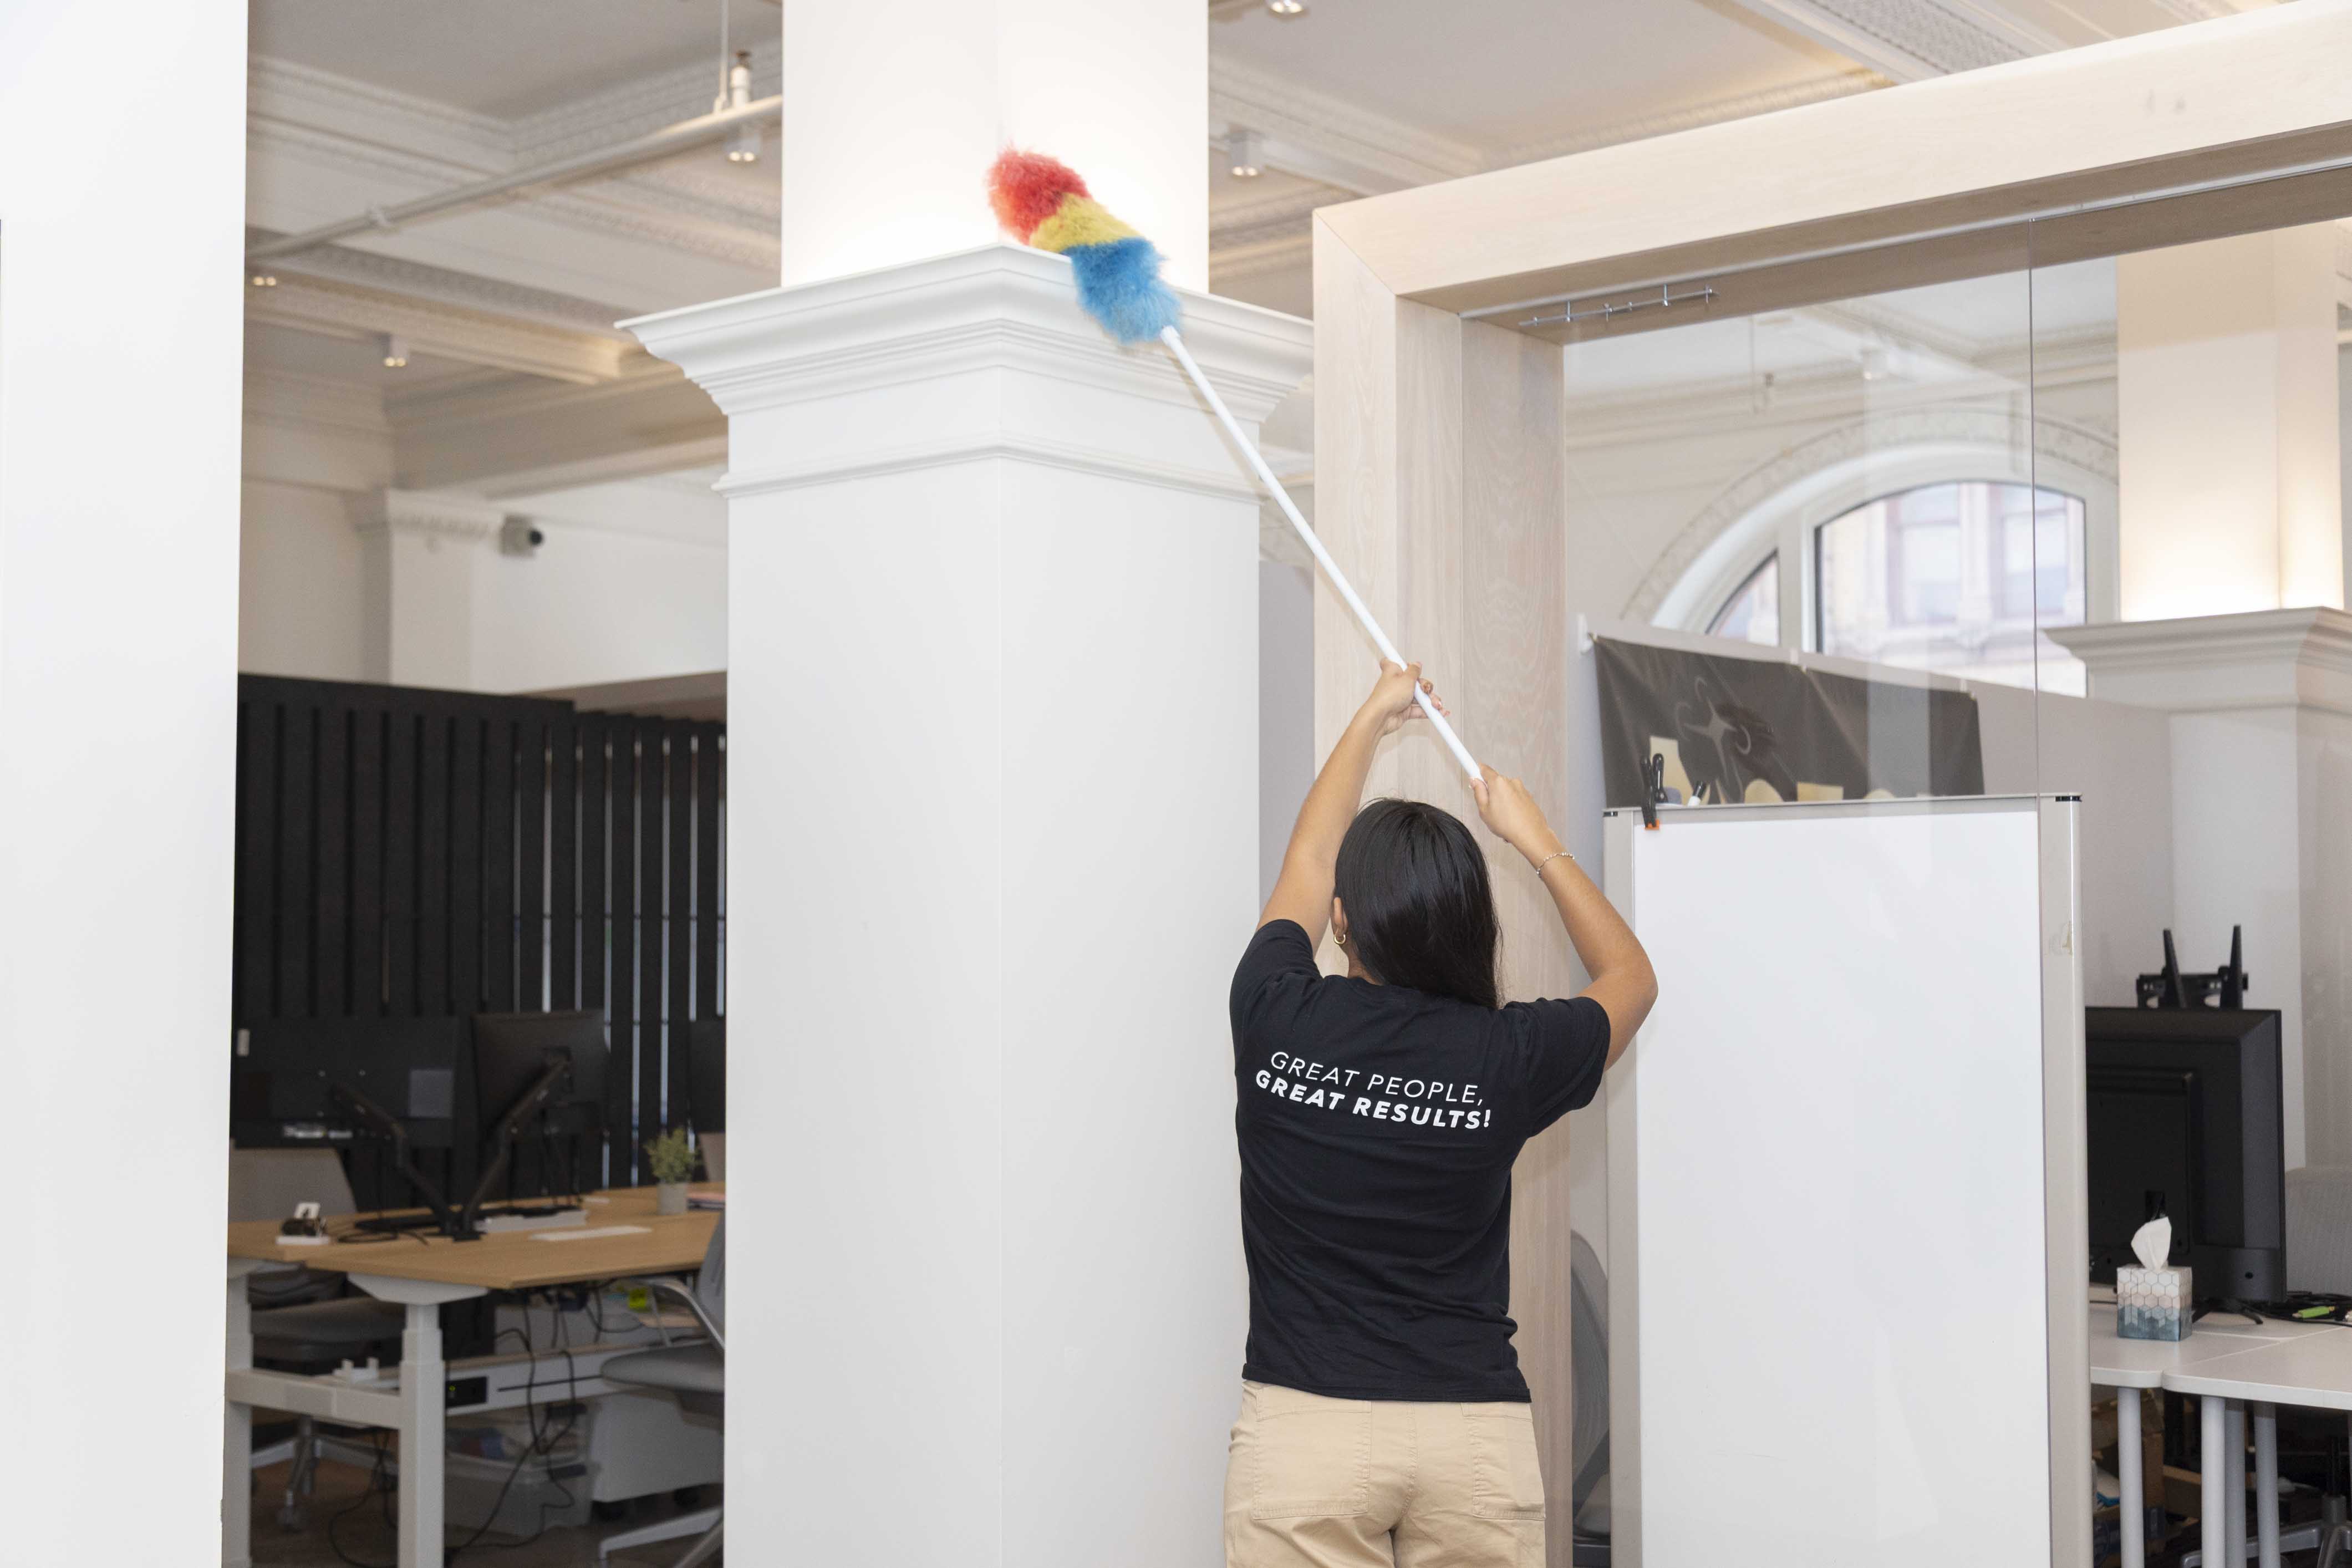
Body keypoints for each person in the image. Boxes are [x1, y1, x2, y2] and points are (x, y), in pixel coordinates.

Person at [1225, 660, 1658, 1568]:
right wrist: (1537, 843)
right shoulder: (1502, 1057)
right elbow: (1630, 979)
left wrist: (1372, 716)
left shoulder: (1275, 1012)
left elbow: (1308, 859)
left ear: (1342, 921)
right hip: (1469, 1436)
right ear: (1466, 922)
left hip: (1307, 1431)